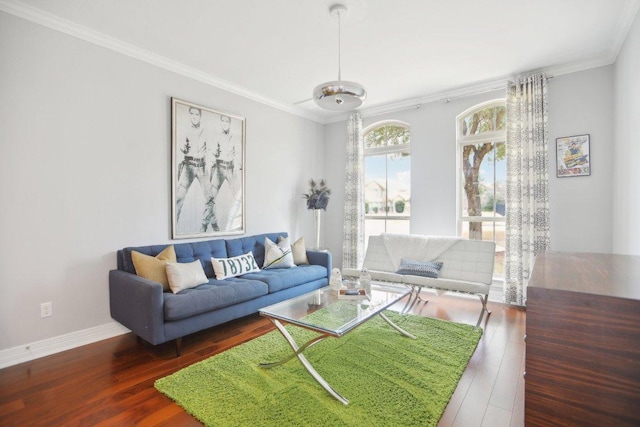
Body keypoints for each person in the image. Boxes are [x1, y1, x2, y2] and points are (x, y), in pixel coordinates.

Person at [175, 106, 213, 231]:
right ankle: (174, 224)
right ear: (190, 115)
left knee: (210, 198)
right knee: (179, 197)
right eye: (193, 114)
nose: (195, 117)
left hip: (202, 167)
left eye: (197, 114)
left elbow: (210, 149)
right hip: (188, 166)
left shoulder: (205, 131)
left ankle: (204, 227)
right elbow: (180, 147)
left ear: (200, 116)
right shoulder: (184, 130)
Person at [202, 114, 242, 231]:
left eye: (227, 122)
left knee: (239, 198)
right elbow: (210, 153)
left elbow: (238, 153)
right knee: (210, 198)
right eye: (223, 121)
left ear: (229, 123)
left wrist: (239, 164)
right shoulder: (216, 137)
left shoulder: (234, 137)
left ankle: (238, 225)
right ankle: (205, 224)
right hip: (219, 168)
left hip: (231, 168)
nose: (225, 124)